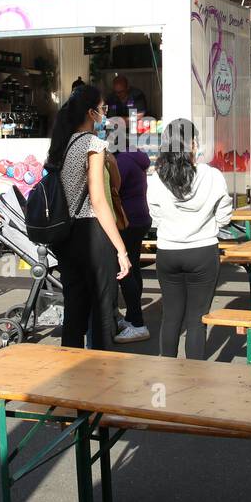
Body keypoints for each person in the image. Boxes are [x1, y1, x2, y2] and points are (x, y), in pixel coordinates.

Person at [48, 86, 131, 349]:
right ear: (91, 112)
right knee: (103, 310)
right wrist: (121, 250)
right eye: (104, 109)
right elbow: (99, 200)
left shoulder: (62, 143)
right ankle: (101, 376)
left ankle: (70, 376)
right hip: (93, 235)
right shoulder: (93, 144)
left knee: (74, 309)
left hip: (64, 236)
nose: (105, 114)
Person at [147, 118, 233, 359]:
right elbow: (225, 216)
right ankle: (194, 378)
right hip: (203, 251)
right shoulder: (212, 176)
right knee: (197, 320)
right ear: (193, 143)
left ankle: (168, 372)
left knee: (171, 316)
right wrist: (208, 224)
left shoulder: (156, 179)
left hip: (168, 251)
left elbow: (154, 217)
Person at [107, 116, 151, 343]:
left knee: (124, 271)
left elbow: (110, 190)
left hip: (127, 221)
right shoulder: (135, 157)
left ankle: (137, 322)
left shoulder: (120, 162)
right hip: (140, 218)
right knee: (132, 267)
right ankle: (134, 317)